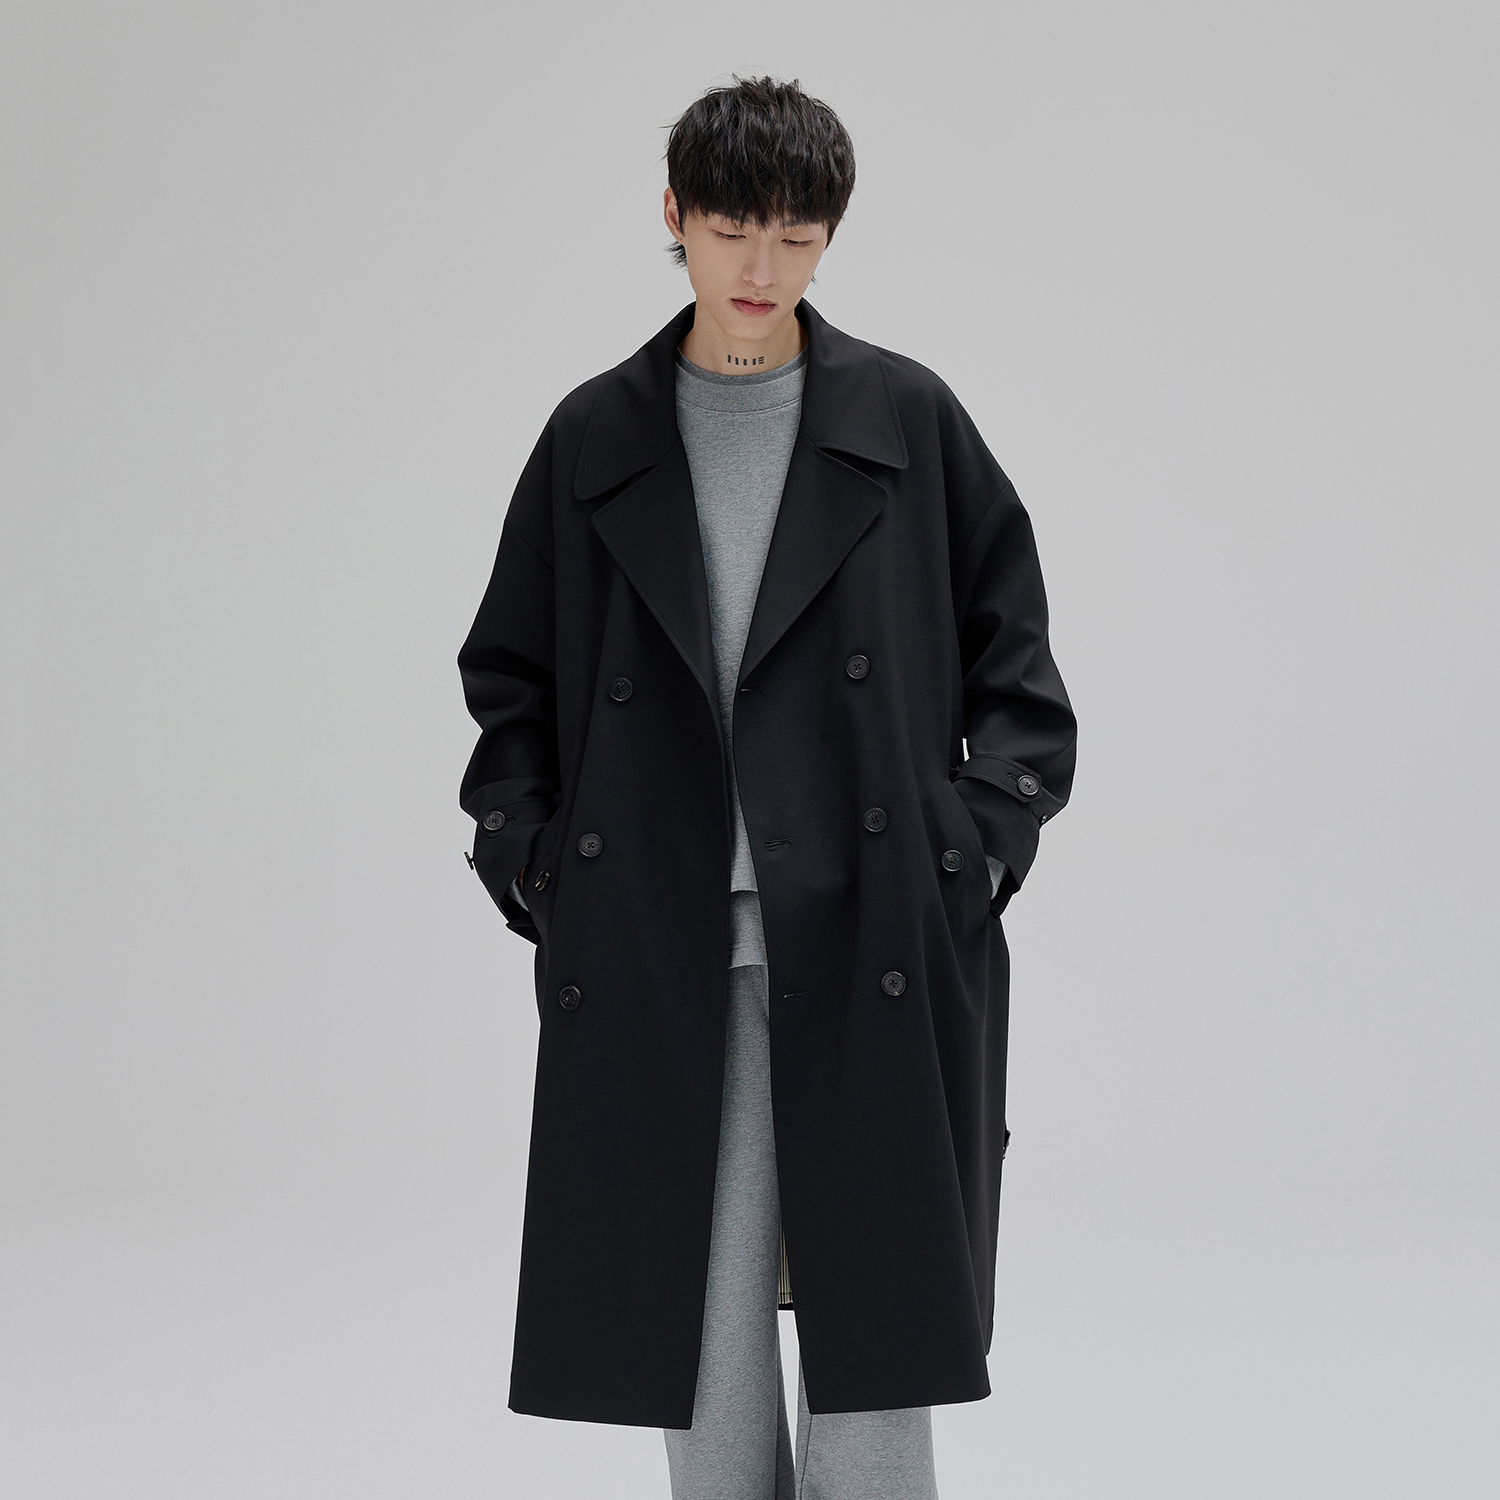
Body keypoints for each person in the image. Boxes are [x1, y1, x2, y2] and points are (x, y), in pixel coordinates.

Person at [457, 74, 1077, 1499]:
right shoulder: (595, 435)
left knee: (878, 1352)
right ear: (675, 215)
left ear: (830, 235)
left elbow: (1018, 660)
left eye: (798, 236)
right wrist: (536, 858)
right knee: (702, 1347)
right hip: (659, 942)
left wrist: (972, 844)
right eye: (734, 228)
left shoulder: (906, 417)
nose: (762, 267)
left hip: (872, 932)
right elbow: (511, 675)